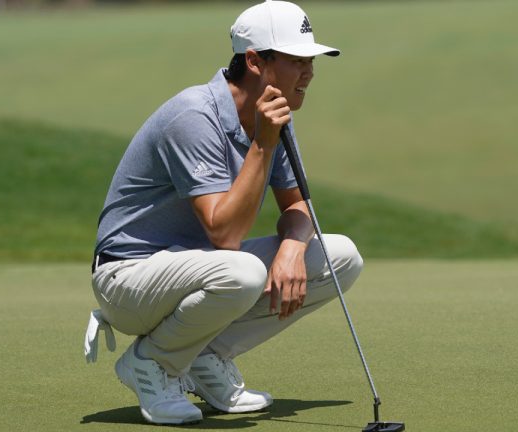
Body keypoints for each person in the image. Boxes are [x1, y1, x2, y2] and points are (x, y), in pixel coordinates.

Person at [87, 0, 363, 425]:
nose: (309, 72)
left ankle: (204, 357)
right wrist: (263, 143)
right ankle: (151, 362)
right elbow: (225, 234)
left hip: (201, 270)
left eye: (310, 61)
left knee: (340, 256)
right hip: (127, 278)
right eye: (296, 60)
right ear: (254, 61)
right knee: (243, 272)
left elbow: (297, 204)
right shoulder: (193, 116)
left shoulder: (273, 118)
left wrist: (292, 248)